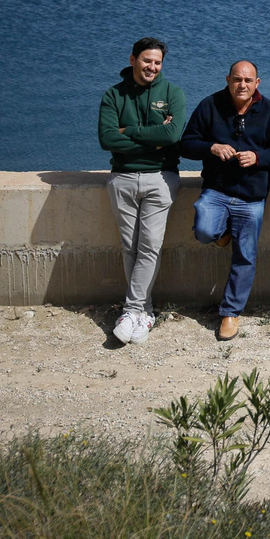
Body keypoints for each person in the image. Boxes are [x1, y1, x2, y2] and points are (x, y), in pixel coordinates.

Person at [180, 60, 270, 342]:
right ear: (227, 79)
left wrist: (259, 157)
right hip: (216, 191)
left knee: (245, 257)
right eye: (237, 79)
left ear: (257, 83)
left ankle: (230, 312)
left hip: (252, 197)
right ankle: (222, 232)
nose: (242, 85)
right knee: (203, 230)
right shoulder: (209, 105)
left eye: (248, 80)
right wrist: (211, 147)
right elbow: (186, 143)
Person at [96, 37, 186, 344]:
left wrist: (129, 131)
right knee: (130, 247)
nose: (152, 67)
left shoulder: (172, 92)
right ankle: (145, 312)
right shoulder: (114, 95)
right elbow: (107, 139)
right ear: (133, 59)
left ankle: (131, 309)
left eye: (158, 62)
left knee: (149, 246)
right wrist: (152, 139)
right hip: (122, 178)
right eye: (147, 60)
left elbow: (173, 134)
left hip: (160, 178)